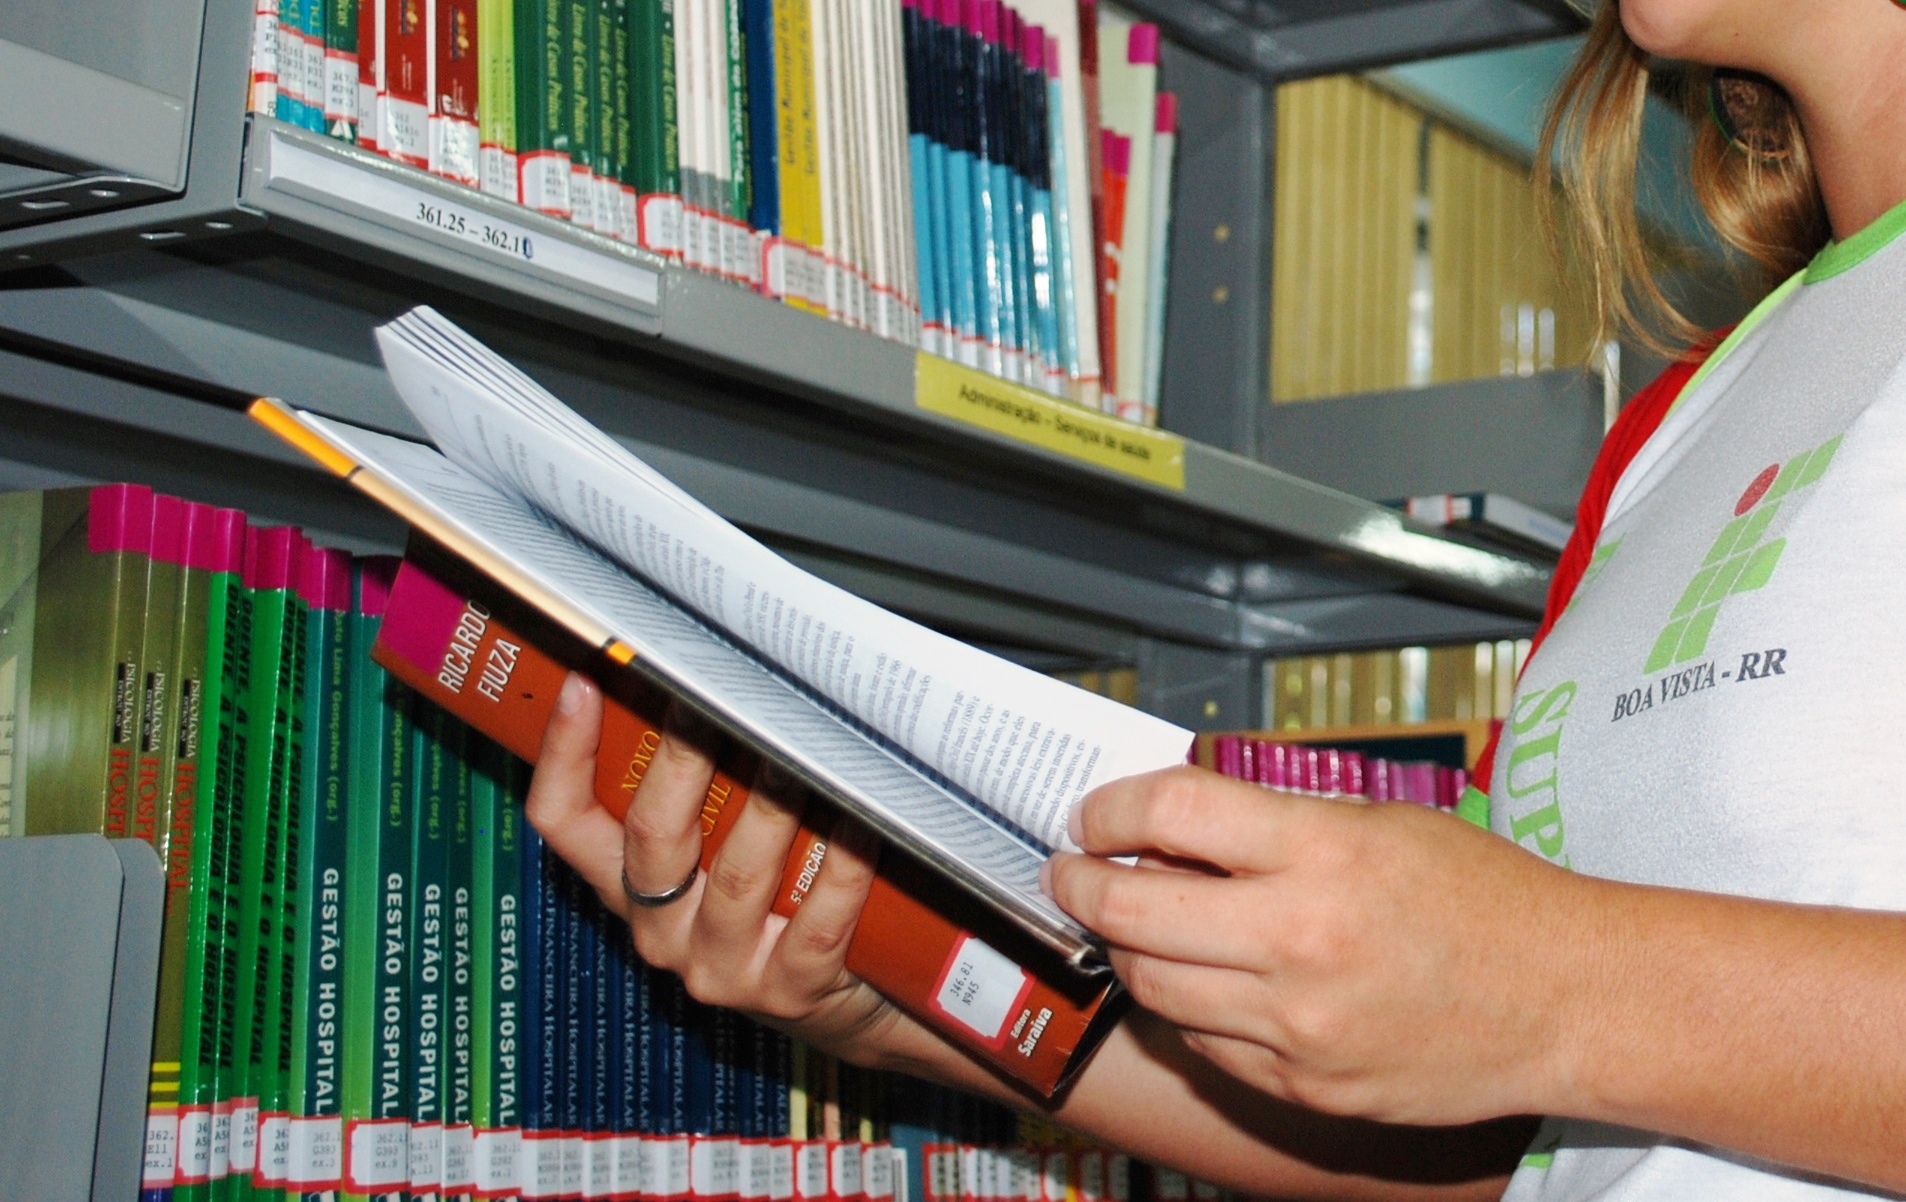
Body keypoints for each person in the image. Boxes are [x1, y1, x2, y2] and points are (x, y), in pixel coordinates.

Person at [523, 0, 1906, 1196]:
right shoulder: (1676, 427)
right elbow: (1508, 1125)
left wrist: (1561, 982)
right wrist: (905, 999)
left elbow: (1555, 1010)